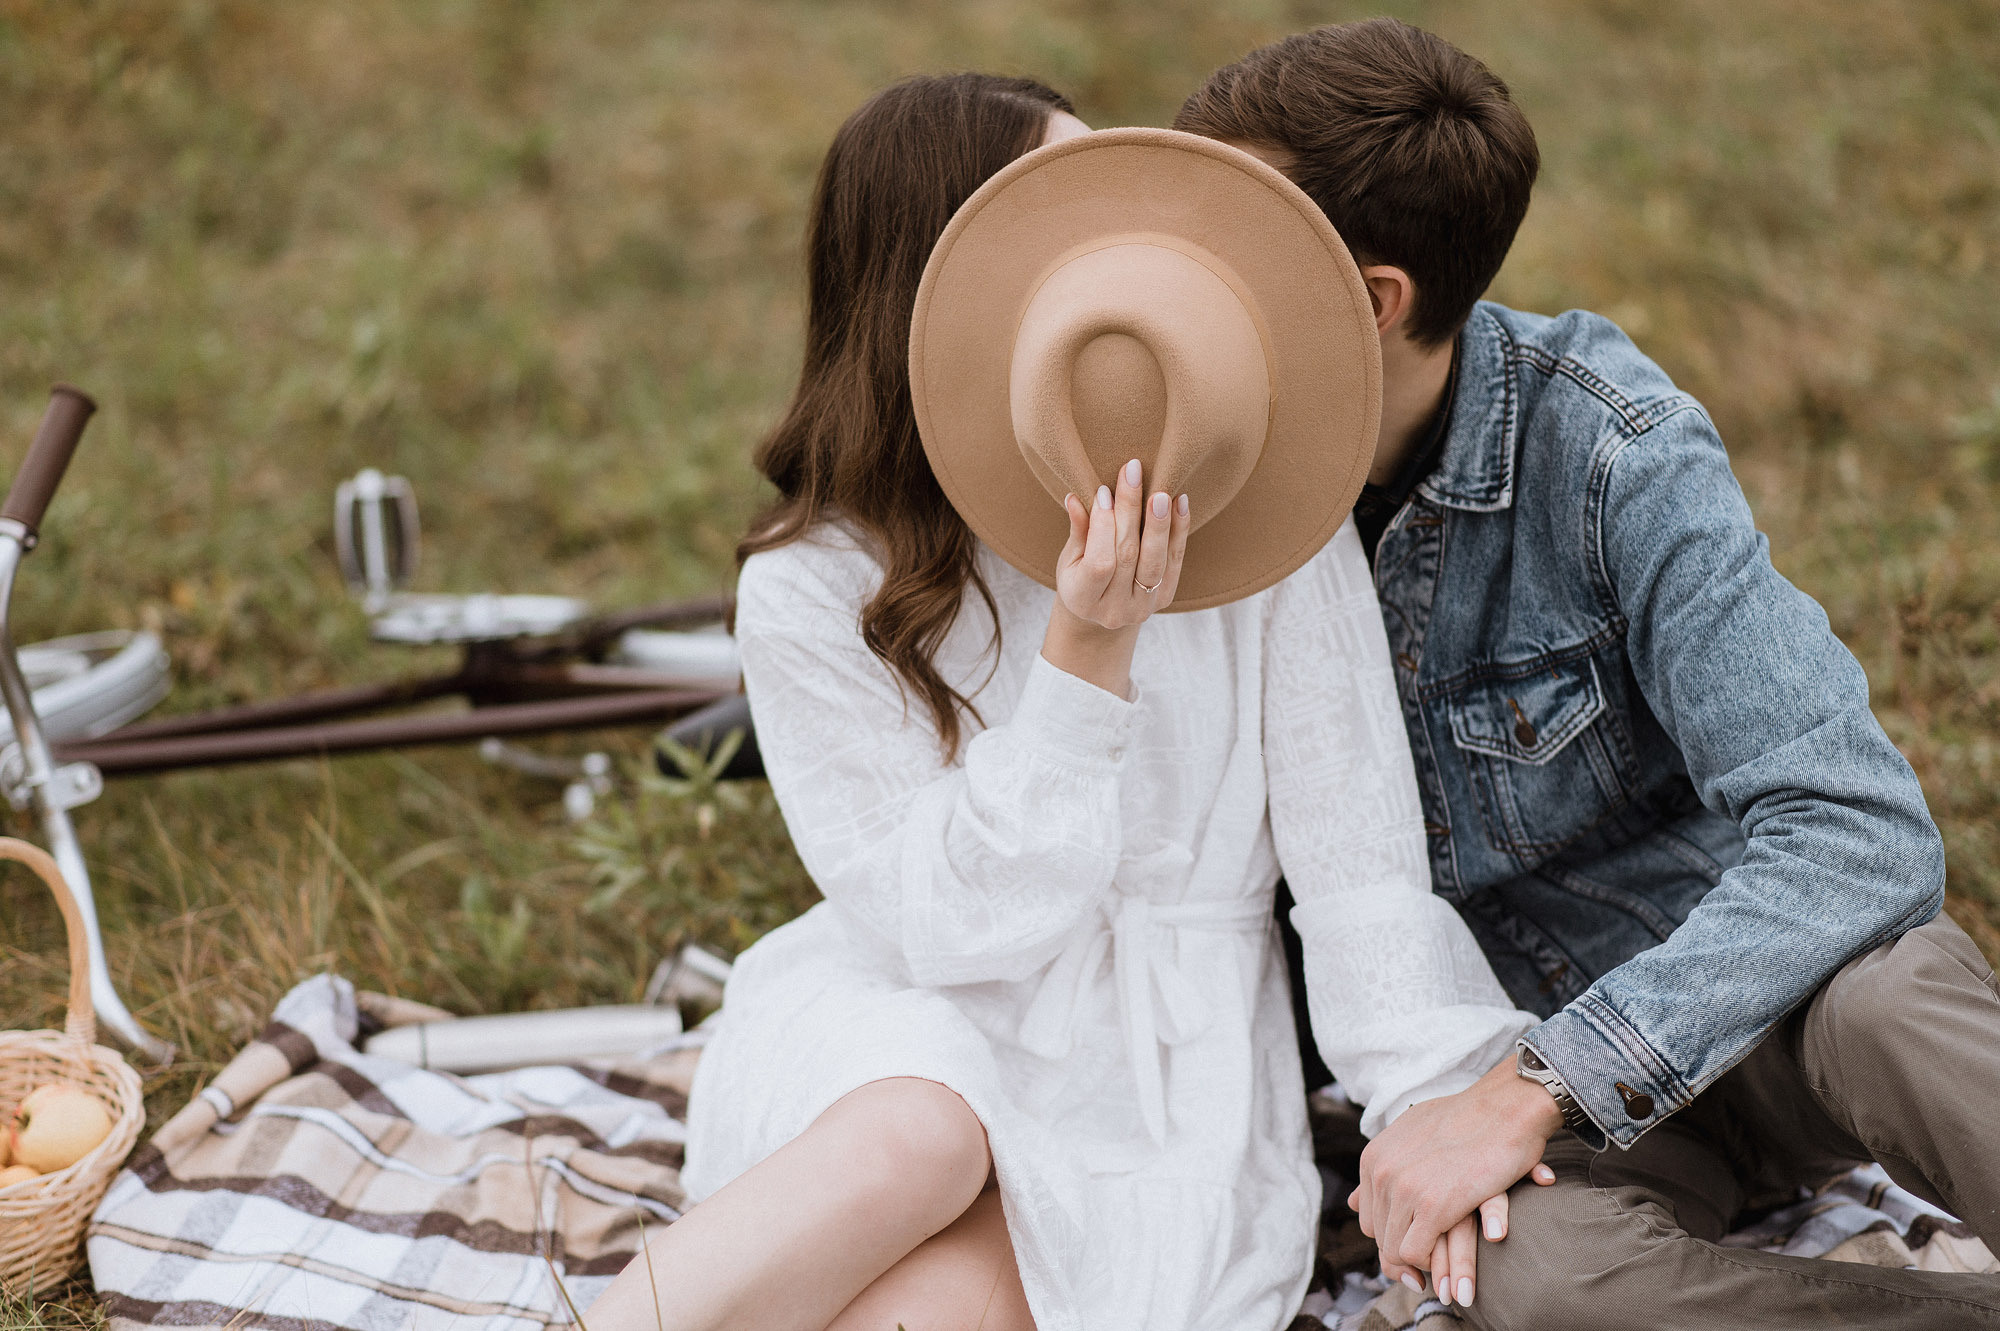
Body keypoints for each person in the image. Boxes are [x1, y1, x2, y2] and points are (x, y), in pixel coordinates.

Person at [589, 73, 1539, 1331]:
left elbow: (1358, 876)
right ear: (938, 290)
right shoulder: (814, 580)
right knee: (920, 1135)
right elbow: (944, 926)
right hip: (904, 1025)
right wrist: (1086, 655)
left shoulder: (1254, 522)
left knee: (952, 1307)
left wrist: (1451, 1105)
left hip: (1161, 1083)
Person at [1173, 18, 2000, 1327]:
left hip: (1755, 1014)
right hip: (1532, 1107)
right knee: (1532, 1279)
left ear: (1373, 298)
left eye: (1227, 234)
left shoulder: (1612, 449)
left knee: (1900, 996)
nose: (1178, 264)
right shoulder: (1190, 480)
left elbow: (1858, 835)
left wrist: (1543, 1084)